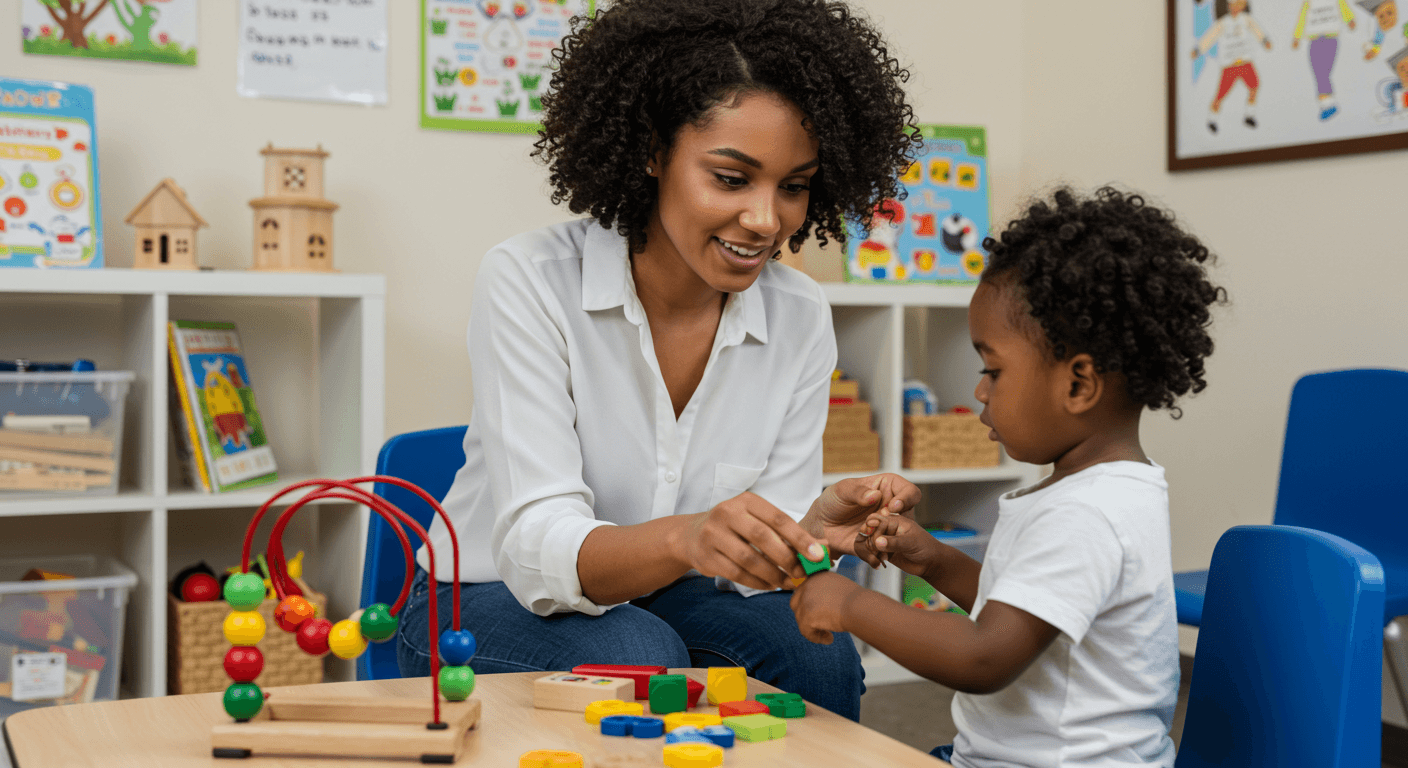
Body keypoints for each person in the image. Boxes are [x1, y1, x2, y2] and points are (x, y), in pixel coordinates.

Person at [397, 0, 922, 721]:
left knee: (814, 649)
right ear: (651, 149)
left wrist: (807, 526)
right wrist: (688, 536)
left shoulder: (800, 318)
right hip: (482, 599)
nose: (768, 220)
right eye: (732, 179)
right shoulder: (529, 279)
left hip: (667, 599)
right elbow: (535, 548)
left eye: (793, 186)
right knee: (641, 658)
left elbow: (755, 565)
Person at [790, 186, 1227, 764]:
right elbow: (1022, 613)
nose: (979, 390)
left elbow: (985, 657)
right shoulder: (1097, 491)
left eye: (993, 370)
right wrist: (936, 560)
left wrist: (850, 604)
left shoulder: (1086, 513)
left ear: (1078, 384)